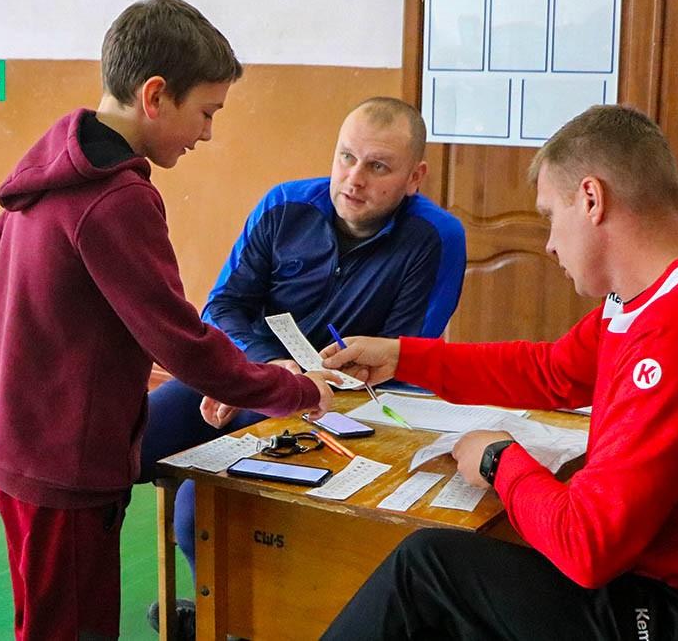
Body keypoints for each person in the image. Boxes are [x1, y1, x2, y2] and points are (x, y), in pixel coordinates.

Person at [320, 105, 678, 640]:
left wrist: (498, 459)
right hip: (666, 588)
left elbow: (587, 546)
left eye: (550, 217)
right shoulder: (658, 294)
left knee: (427, 569)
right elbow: (552, 371)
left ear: (591, 199)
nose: (551, 243)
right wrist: (405, 356)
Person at [0, 0, 338, 641]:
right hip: (67, 464)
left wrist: (47, 348)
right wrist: (294, 390)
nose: (207, 134)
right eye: (206, 112)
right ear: (156, 95)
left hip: (14, 439)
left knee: (42, 620)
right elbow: (180, 341)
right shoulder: (119, 199)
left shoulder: (52, 164)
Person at [140, 96, 467, 635]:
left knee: (199, 509)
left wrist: (308, 385)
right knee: (121, 444)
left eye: (377, 167)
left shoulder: (437, 238)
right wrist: (268, 367)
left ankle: (228, 624)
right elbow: (223, 307)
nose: (353, 179)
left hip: (333, 408)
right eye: (346, 157)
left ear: (415, 178)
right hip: (248, 379)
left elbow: (406, 357)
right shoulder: (283, 204)